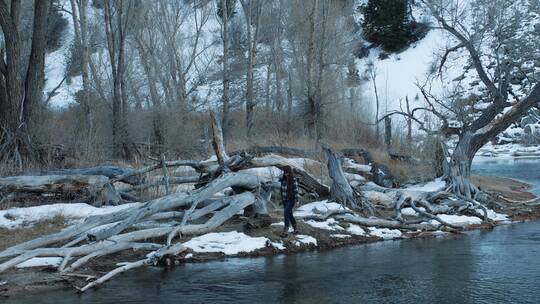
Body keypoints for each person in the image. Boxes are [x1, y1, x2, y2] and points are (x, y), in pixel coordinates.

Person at [280, 166, 300, 237]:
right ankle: (296, 229)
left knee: (286, 213)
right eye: (285, 173)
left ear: (290, 172)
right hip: (284, 200)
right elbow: (282, 190)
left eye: (287, 173)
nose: (286, 174)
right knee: (290, 214)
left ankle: (286, 230)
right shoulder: (283, 180)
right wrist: (281, 199)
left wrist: (297, 200)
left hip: (291, 200)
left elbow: (296, 190)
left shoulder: (293, 180)